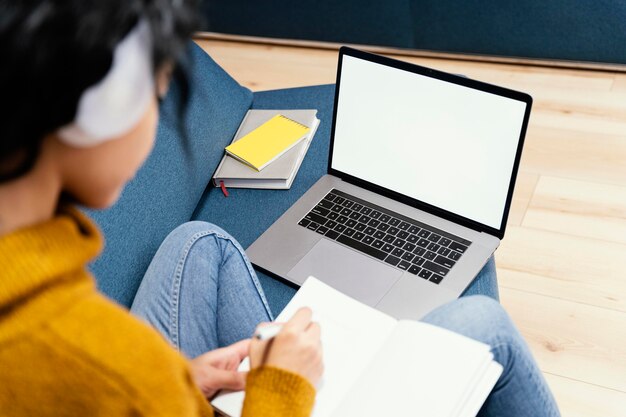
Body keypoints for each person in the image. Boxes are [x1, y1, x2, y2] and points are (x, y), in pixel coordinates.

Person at [0, 1, 560, 416]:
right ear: (99, 112)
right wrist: (281, 389)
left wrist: (183, 380)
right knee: (481, 322)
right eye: (159, 95)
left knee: (196, 241)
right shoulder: (118, 373)